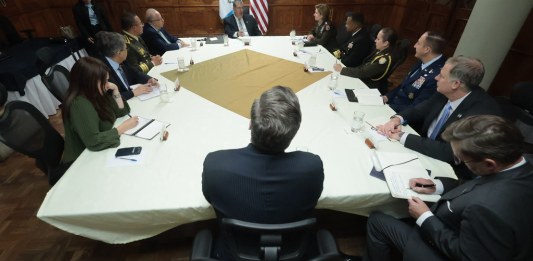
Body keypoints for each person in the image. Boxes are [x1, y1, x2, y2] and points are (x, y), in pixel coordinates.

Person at [364, 115, 533, 261]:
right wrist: (437, 185)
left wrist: (425, 217)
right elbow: (476, 183)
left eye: (461, 160)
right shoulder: (518, 162)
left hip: (445, 250)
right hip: (466, 227)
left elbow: (465, 255)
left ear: (489, 164)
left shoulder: (488, 208)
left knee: (377, 221)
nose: (461, 163)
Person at [202, 86, 324, 260]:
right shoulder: (312, 167)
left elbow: (210, 197)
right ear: (295, 131)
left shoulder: (215, 165)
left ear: (251, 124)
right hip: (294, 252)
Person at [377, 56, 503, 188]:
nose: (436, 77)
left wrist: (401, 136)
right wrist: (397, 119)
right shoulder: (444, 92)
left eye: (442, 76)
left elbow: (451, 152)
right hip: (423, 149)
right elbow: (421, 109)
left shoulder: (480, 115)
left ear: (456, 84)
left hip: (448, 170)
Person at [61, 57, 139, 166]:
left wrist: (115, 89)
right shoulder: (79, 104)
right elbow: (93, 141)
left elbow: (122, 112)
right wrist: (122, 128)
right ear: (89, 82)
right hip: (81, 161)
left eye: (107, 80)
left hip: (99, 152)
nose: (107, 84)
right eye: (104, 81)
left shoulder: (96, 92)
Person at [383, 31, 446, 112]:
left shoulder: (437, 75)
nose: (414, 46)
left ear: (427, 49)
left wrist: (388, 107)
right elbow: (403, 86)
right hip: (393, 105)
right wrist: (386, 97)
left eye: (418, 43)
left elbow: (417, 108)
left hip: (403, 116)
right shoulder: (423, 60)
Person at [96, 31, 159, 100]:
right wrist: (133, 93)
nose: (127, 51)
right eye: (126, 48)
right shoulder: (101, 71)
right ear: (119, 53)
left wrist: (149, 79)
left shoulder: (121, 61)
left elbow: (135, 73)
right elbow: (111, 99)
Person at [334, 27, 397, 94]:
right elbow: (365, 64)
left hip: (369, 87)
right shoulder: (380, 50)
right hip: (364, 78)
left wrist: (342, 70)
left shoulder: (384, 59)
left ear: (386, 43)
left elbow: (364, 72)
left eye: (378, 39)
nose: (375, 40)